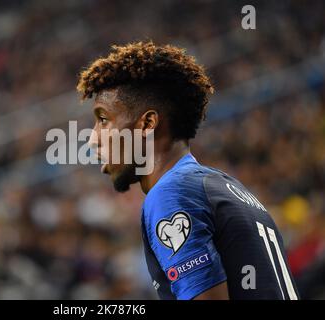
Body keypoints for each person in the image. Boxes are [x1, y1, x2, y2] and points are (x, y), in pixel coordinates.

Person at [76, 41, 299, 300]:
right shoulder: (228, 187)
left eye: (104, 120)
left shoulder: (171, 193)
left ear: (147, 123)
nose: (93, 138)